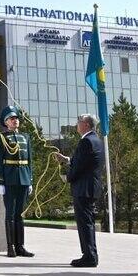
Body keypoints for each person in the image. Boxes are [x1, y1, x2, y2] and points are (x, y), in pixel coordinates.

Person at [54, 113, 104, 267]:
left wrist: (67, 177)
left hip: (84, 188)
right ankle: (90, 254)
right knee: (87, 222)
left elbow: (80, 167)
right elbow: (83, 161)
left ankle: (89, 256)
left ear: (86, 125)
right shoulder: (96, 140)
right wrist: (67, 159)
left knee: (85, 223)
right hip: (91, 188)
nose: (77, 124)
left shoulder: (86, 142)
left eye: (79, 121)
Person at [0, 105, 34, 258]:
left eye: (16, 118)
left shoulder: (26, 137)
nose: (15, 120)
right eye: (12, 118)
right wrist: (0, 182)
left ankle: (21, 246)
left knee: (20, 214)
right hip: (10, 180)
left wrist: (30, 180)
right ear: (6, 122)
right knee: (10, 214)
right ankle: (10, 247)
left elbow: (29, 160)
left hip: (23, 179)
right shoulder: (2, 138)